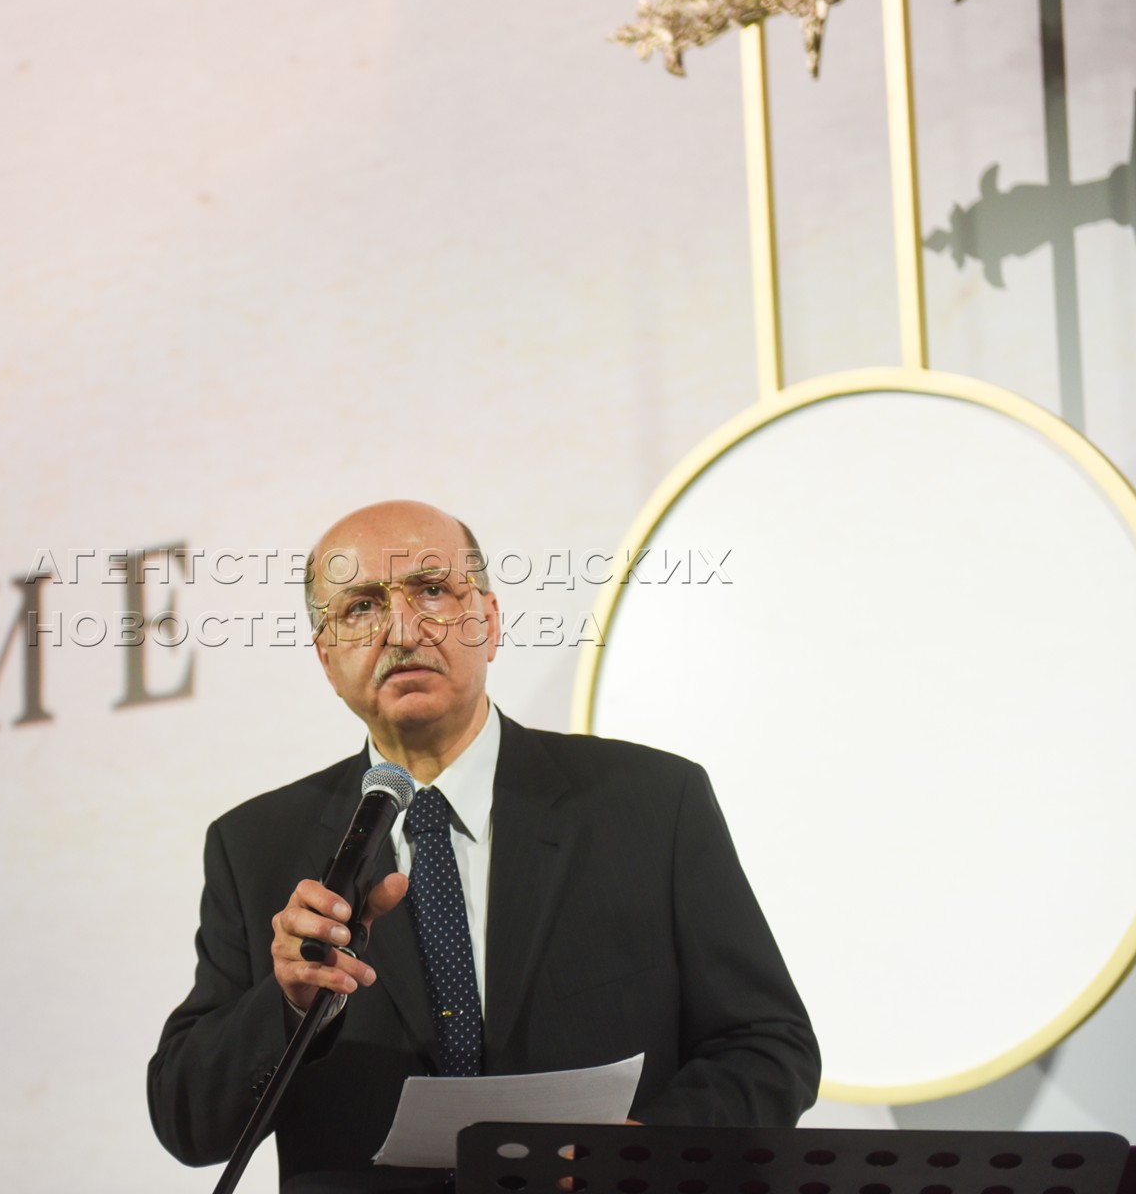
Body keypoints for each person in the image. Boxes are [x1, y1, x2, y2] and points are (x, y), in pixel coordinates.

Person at [147, 500, 819, 1193]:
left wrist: (643, 1153)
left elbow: (770, 1048)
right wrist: (287, 1003)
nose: (403, 629)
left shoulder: (649, 804)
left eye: (433, 591)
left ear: (490, 622)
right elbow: (186, 1122)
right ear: (326, 657)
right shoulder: (255, 846)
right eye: (362, 607)